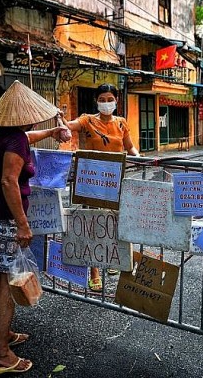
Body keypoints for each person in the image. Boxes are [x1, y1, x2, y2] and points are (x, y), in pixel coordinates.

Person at [0, 80, 71, 375]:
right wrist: (23, 225)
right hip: (2, 217)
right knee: (4, 282)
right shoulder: (14, 140)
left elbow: (29, 136)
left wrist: (53, 131)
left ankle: (4, 334)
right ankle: (1, 351)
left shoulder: (9, 134)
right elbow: (8, 181)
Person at [62, 83, 139, 291]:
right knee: (93, 224)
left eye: (110, 99)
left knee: (115, 222)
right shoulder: (87, 120)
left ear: (116, 100)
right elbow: (69, 126)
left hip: (115, 180)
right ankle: (94, 272)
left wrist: (140, 158)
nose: (106, 103)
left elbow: (129, 146)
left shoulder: (122, 123)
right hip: (90, 181)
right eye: (102, 100)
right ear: (96, 101)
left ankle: (113, 259)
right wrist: (59, 118)